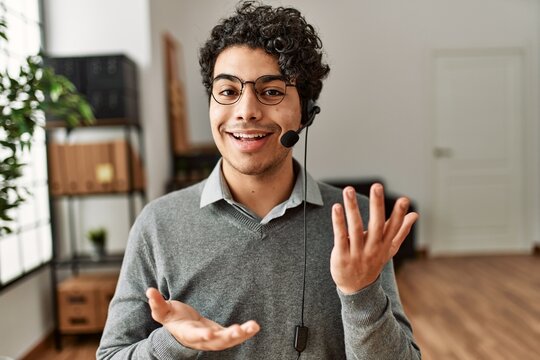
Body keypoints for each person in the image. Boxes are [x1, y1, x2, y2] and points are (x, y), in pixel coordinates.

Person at [97, 1, 421, 359]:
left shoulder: (354, 225)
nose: (246, 110)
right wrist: (175, 342)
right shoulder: (158, 224)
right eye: (228, 91)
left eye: (271, 91)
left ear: (305, 112)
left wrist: (360, 293)